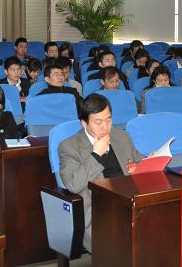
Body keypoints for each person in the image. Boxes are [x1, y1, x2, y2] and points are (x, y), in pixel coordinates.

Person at [58, 94, 144, 253]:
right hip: (99, 211)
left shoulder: (121, 136)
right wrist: (96, 154)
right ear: (84, 123)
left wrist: (147, 162)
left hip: (131, 203)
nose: (105, 127)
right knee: (126, 247)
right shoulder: (69, 147)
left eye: (108, 120)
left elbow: (139, 161)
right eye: (98, 122)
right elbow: (73, 184)